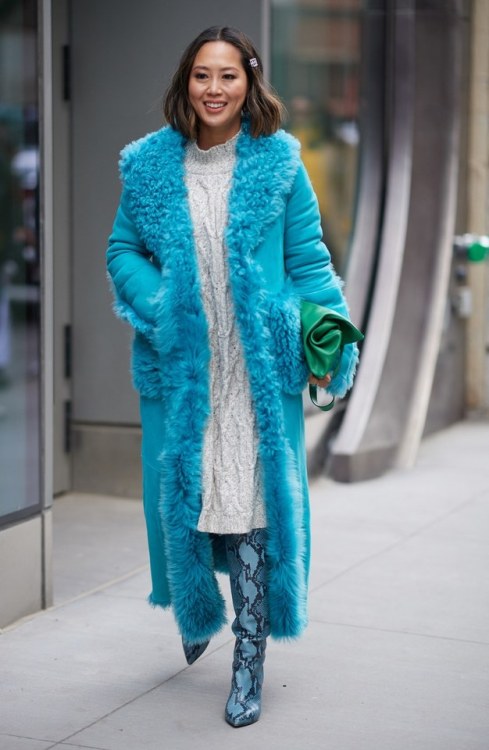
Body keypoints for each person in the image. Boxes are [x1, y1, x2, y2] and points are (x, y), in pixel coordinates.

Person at [106, 25, 359, 728]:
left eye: (227, 76)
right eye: (200, 76)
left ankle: (248, 661)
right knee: (186, 501)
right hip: (184, 370)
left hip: (253, 375)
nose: (213, 89)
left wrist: (331, 335)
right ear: (184, 84)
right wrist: (162, 305)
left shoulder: (279, 165)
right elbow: (122, 248)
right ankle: (193, 611)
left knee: (251, 512)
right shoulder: (149, 167)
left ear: (249, 83)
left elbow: (309, 260)